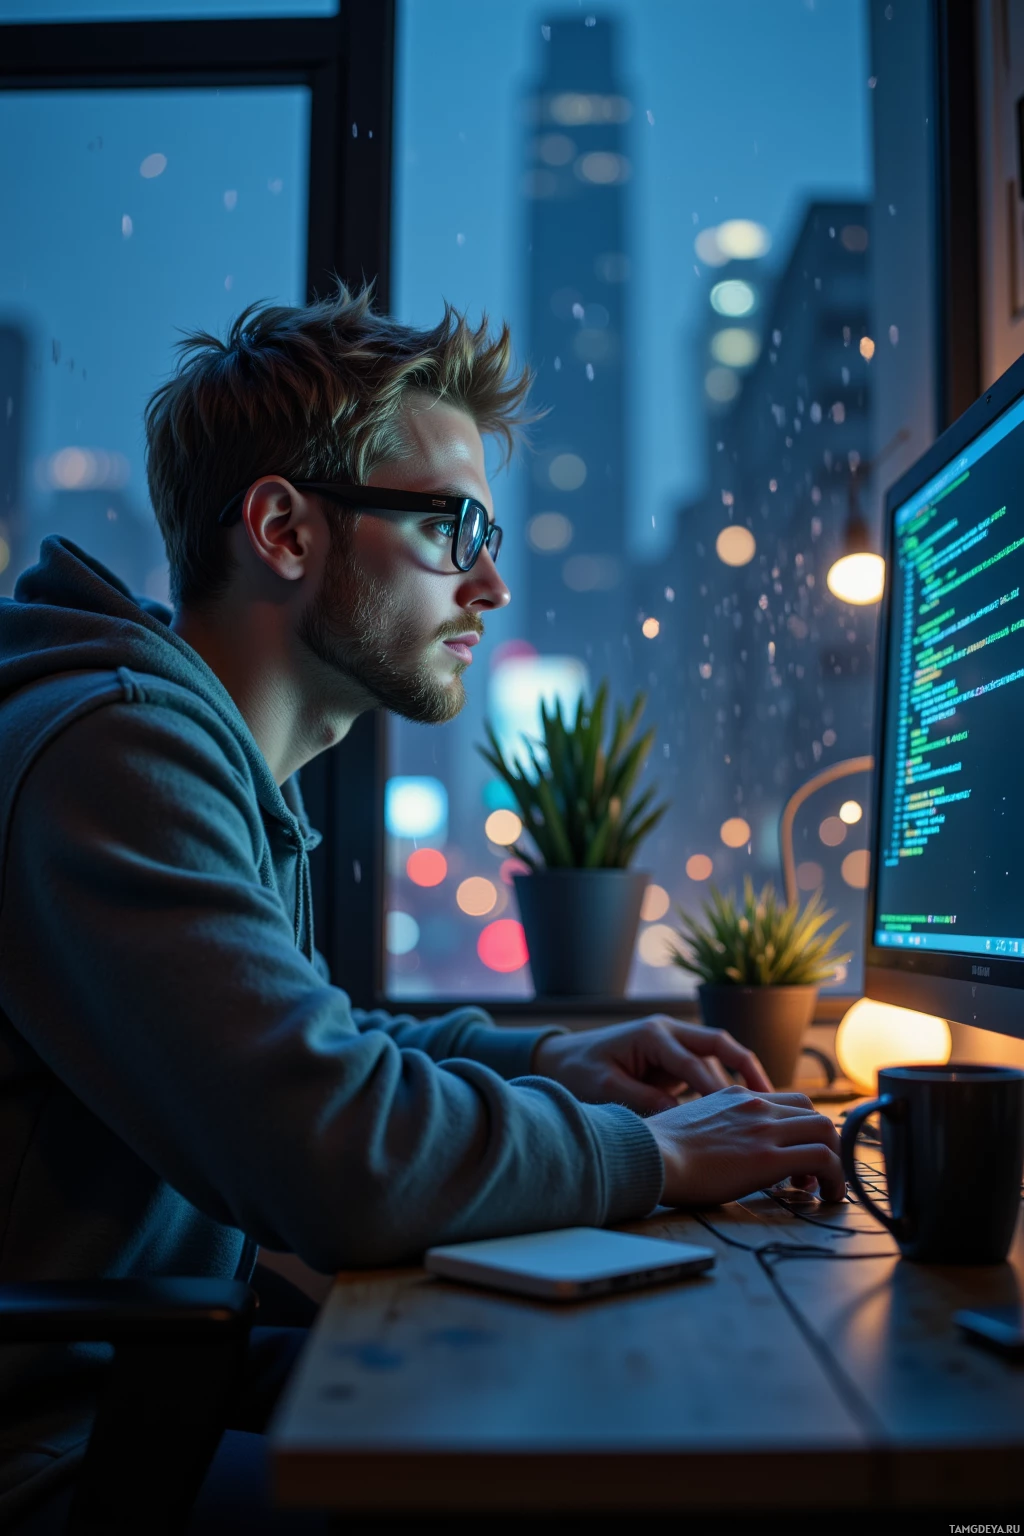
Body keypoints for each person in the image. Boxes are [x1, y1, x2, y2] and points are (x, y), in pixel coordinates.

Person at [0, 282, 844, 1531]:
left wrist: (555, 1052)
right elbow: (340, 1153)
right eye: (454, 528)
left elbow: (315, 1045)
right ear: (284, 530)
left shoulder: (189, 755)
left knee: (577, 1409)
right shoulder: (115, 756)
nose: (491, 586)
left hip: (152, 1389)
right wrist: (656, 1155)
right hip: (65, 1463)